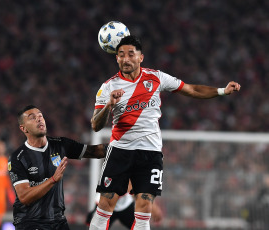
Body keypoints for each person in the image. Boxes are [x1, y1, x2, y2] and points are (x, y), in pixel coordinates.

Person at [89, 35, 241, 230]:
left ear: (141, 57)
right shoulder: (108, 87)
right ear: (116, 58)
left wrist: (222, 91)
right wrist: (109, 104)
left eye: (130, 54)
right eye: (121, 55)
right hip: (120, 150)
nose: (126, 59)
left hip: (150, 153)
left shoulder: (156, 77)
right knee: (105, 206)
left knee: (144, 208)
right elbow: (95, 125)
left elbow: (192, 89)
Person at [8, 105, 106, 230]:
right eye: (32, 118)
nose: (39, 119)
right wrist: (52, 180)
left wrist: (122, 146)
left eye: (40, 116)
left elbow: (95, 152)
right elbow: (25, 197)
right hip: (30, 221)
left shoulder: (60, 145)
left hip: (57, 221)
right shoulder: (18, 157)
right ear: (24, 128)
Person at [86, 181, 163, 229]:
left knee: (140, 225)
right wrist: (152, 208)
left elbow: (133, 188)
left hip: (125, 205)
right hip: (105, 203)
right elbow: (132, 188)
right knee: (92, 223)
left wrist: (152, 207)